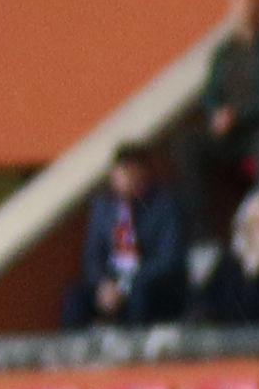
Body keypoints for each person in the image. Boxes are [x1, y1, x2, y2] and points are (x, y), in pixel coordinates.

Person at [62, 139, 189, 332]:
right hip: (111, 283)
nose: (120, 178)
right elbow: (92, 255)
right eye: (118, 172)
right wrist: (103, 284)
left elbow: (168, 259)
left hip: (149, 284)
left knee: (140, 294)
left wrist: (125, 285)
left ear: (141, 173)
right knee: (74, 298)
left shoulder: (164, 206)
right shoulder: (103, 207)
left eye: (127, 171)